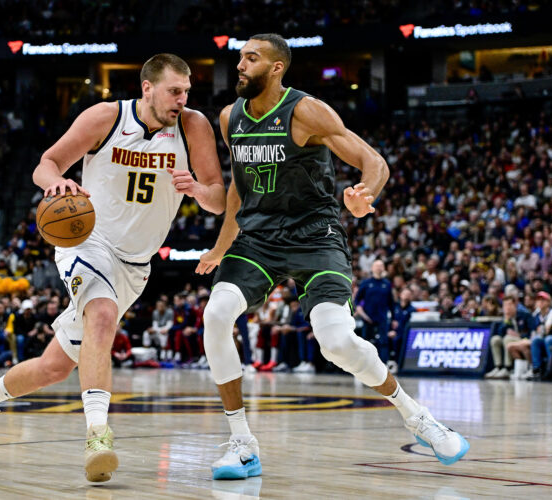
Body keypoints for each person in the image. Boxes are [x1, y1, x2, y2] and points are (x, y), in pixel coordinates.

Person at [196, 33, 469, 480]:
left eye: (251, 58)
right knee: (216, 314)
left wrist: (364, 196)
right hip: (258, 240)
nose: (240, 65)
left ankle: (417, 416)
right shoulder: (231, 117)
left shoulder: (306, 110)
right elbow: (238, 189)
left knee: (337, 342)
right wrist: (221, 246)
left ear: (276, 68)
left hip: (314, 238)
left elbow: (374, 161)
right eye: (240, 57)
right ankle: (242, 443)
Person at [0, 53, 226, 483]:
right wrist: (56, 183)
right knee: (101, 316)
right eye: (175, 91)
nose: (182, 99)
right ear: (148, 88)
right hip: (86, 239)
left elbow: (219, 198)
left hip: (135, 264)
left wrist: (197, 191)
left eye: (186, 91)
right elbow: (46, 164)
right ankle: (98, 435)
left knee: (55, 367)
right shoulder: (106, 117)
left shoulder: (193, 127)